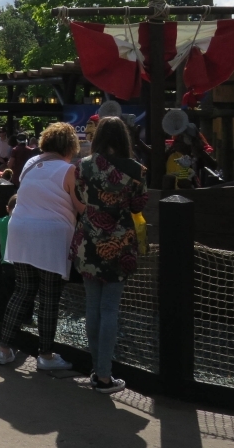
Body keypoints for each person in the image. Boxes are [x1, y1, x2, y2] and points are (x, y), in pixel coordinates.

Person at [0, 122, 83, 369]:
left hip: (21, 229)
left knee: (22, 290)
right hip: (51, 235)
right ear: (69, 146)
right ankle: (45, 355)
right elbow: (80, 206)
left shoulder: (30, 165)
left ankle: (4, 349)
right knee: (49, 297)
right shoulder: (69, 171)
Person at [72, 116, 148, 394]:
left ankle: (97, 371)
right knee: (110, 310)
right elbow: (139, 203)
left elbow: (80, 195)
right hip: (119, 242)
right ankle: (104, 375)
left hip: (88, 239)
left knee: (92, 308)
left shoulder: (84, 165)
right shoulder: (136, 169)